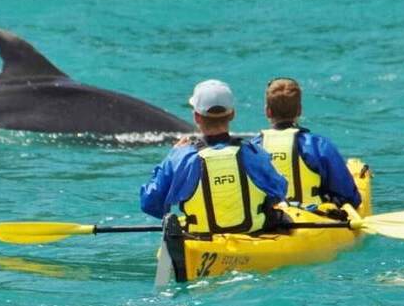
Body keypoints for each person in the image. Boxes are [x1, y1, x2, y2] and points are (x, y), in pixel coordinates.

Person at [140, 79, 288, 235]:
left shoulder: (180, 158)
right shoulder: (254, 154)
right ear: (232, 114)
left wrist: (171, 155)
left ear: (197, 116)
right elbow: (280, 191)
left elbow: (150, 203)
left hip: (201, 241)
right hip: (252, 237)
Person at [253, 77, 361, 209]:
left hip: (270, 222)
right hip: (313, 220)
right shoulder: (318, 145)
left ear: (267, 111)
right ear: (300, 110)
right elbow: (350, 198)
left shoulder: (253, 148)